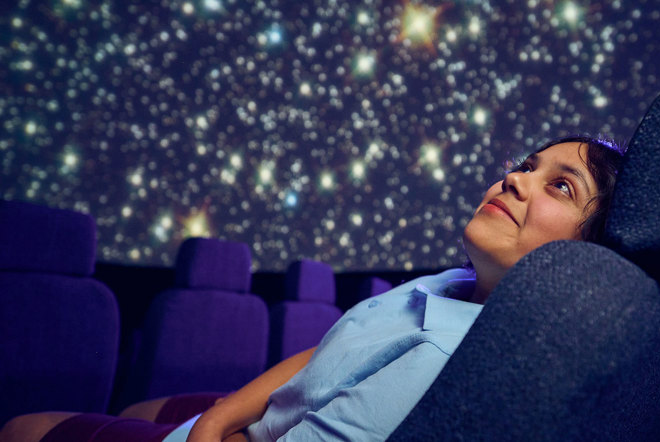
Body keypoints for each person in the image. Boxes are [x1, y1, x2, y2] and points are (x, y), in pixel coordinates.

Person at [0, 135, 624, 442]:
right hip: (253, 421)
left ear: (588, 255)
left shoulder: (449, 363)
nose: (517, 180)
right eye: (526, 165)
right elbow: (331, 350)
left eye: (560, 186)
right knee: (138, 410)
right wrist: (219, 414)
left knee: (25, 427)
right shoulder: (455, 283)